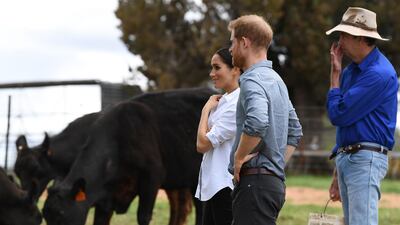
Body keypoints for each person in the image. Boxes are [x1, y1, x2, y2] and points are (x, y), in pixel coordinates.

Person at [227, 15, 303, 225]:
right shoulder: (277, 81)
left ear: (244, 42)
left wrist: (239, 158)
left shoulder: (251, 79)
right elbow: (295, 130)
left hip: (255, 185)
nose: (230, 49)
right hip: (271, 185)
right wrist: (275, 166)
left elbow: (258, 121)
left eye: (232, 42)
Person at [326, 7, 398, 225]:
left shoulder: (378, 74)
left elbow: (338, 114)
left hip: (365, 159)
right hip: (353, 157)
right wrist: (338, 170)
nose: (339, 42)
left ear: (359, 38)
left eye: (344, 36)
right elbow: (347, 121)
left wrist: (335, 75)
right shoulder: (353, 71)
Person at [195, 47, 241, 225]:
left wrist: (205, 110)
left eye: (217, 67)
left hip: (224, 186)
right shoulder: (223, 101)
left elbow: (202, 144)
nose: (212, 73)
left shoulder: (235, 104)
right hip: (214, 186)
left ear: (235, 69)